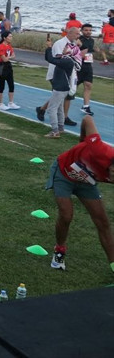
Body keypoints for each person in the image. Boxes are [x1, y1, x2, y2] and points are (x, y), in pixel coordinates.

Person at [46, 115, 114, 273]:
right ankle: (59, 252)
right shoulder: (99, 149)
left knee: (102, 221)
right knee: (66, 214)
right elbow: (87, 119)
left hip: (86, 182)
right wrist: (84, 142)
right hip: (64, 172)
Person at [37, 26, 81, 128]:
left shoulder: (73, 44)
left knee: (60, 97)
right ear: (70, 33)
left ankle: (44, 110)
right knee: (60, 97)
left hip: (67, 74)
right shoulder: (60, 44)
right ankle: (59, 123)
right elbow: (56, 59)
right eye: (77, 34)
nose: (78, 36)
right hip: (57, 75)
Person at [0, 31, 20, 110]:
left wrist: (8, 57)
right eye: (9, 36)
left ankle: (11, 103)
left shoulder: (9, 46)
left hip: (8, 66)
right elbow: (4, 59)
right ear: (4, 38)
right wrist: (9, 57)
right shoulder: (1, 46)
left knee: (11, 85)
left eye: (11, 36)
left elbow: (13, 55)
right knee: (1, 86)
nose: (11, 38)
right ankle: (0, 104)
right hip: (1, 67)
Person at [77, 23, 96, 116]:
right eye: (86, 30)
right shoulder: (78, 40)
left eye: (90, 30)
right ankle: (48, 107)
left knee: (88, 85)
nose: (88, 32)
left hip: (88, 66)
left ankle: (86, 106)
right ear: (81, 31)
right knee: (70, 89)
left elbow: (90, 52)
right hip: (78, 67)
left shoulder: (92, 40)